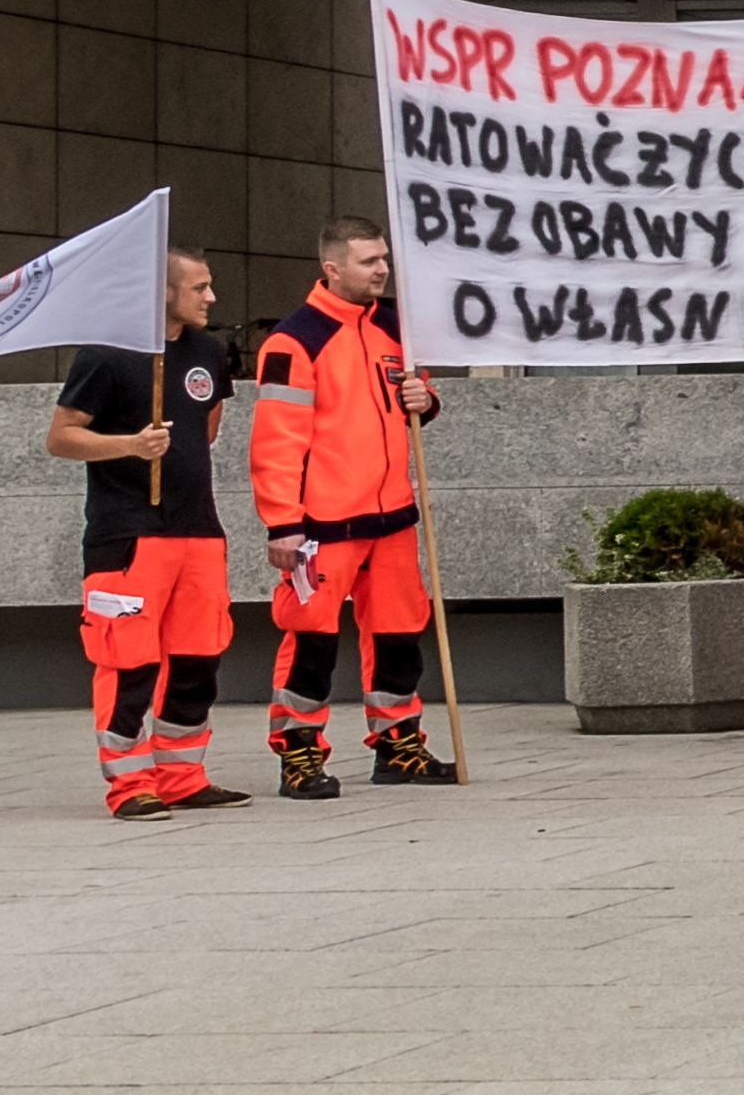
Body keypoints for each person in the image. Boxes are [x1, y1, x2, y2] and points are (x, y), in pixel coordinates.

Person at [249, 217, 451, 795]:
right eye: (369, 261)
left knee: (398, 635)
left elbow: (409, 403)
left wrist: (427, 399)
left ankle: (398, 747)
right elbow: (275, 442)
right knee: (310, 641)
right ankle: (299, 757)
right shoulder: (295, 340)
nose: (383, 269)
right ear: (332, 268)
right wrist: (282, 523)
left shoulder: (396, 329)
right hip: (321, 525)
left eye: (384, 258)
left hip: (392, 518)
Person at [56, 248, 248, 818]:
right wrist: (131, 446)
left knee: (198, 659)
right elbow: (61, 437)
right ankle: (129, 785)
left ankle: (183, 776)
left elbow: (205, 430)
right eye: (200, 287)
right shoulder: (105, 355)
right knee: (129, 661)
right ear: (162, 292)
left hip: (198, 531)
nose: (211, 298)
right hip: (128, 536)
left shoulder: (210, 354)